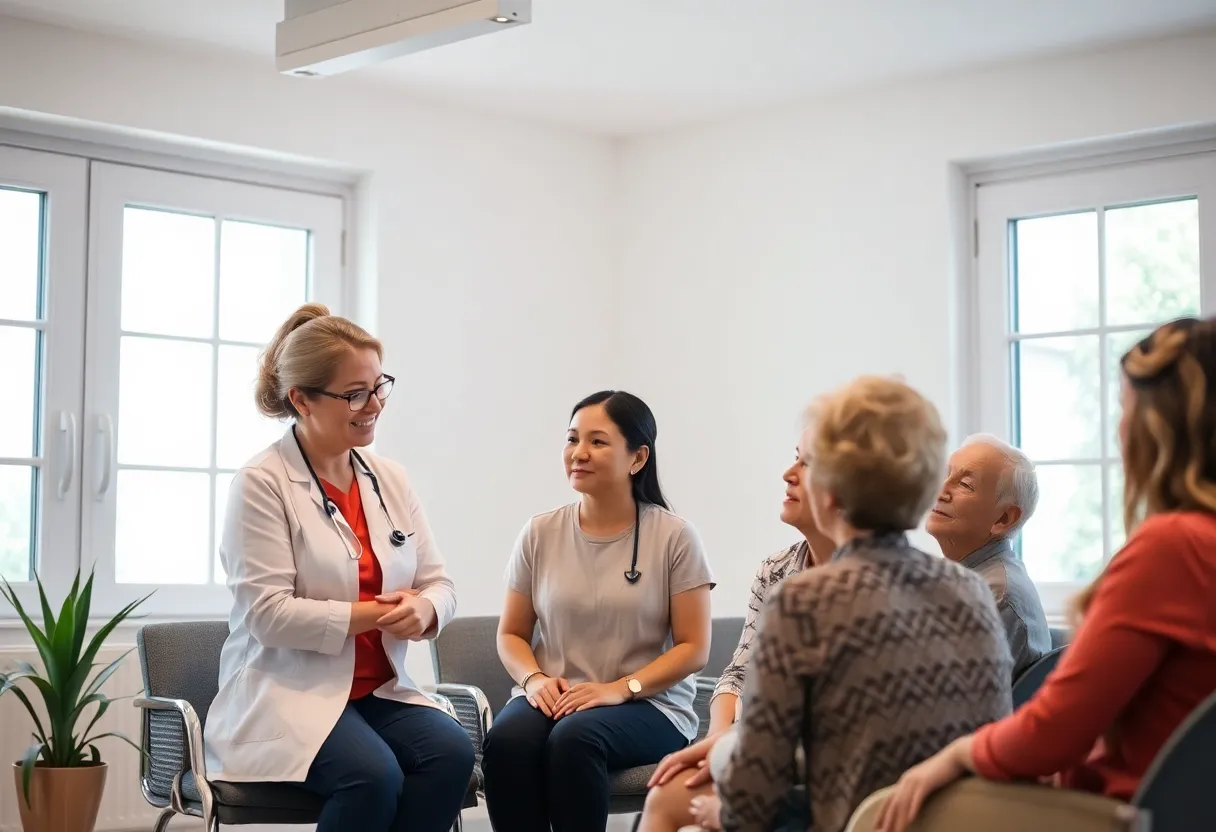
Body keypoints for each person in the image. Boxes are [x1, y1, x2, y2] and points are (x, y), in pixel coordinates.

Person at [875, 318, 1216, 832]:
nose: (1118, 427)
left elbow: (1055, 731)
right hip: (1171, 807)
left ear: (1159, 426)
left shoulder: (1171, 548)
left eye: (1124, 408)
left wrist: (955, 757)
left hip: (1132, 810)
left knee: (877, 812)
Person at [203, 304, 475, 832]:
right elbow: (267, 615)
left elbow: (439, 582)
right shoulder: (261, 484)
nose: (373, 405)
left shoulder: (389, 477)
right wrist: (374, 613)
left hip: (378, 690)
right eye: (354, 393)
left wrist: (424, 608)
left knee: (451, 753)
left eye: (379, 387)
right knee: (371, 778)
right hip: (290, 691)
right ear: (301, 399)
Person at [714, 376, 1014, 832]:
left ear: (830, 491)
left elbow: (753, 800)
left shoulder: (802, 600)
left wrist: (719, 811)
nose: (789, 473)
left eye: (808, 463)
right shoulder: (971, 591)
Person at [482, 390, 714, 832]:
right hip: (556, 694)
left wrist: (620, 688)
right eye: (572, 439)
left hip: (650, 704)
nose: (578, 453)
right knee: (508, 741)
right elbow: (511, 634)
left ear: (637, 457)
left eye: (598, 441)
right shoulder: (539, 532)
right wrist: (533, 680)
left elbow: (694, 648)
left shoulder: (675, 537)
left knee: (576, 739)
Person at [638, 449, 836, 832]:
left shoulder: (860, 589)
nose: (787, 474)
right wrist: (717, 738)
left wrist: (733, 748)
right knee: (671, 792)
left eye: (807, 463)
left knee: (669, 798)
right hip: (758, 744)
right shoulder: (776, 570)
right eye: (795, 457)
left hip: (802, 761)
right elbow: (738, 673)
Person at [927, 434, 1051, 678]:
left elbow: (944, 702)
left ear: (1003, 519)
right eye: (944, 475)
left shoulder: (994, 595)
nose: (941, 491)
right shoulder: (959, 576)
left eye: (965, 485)